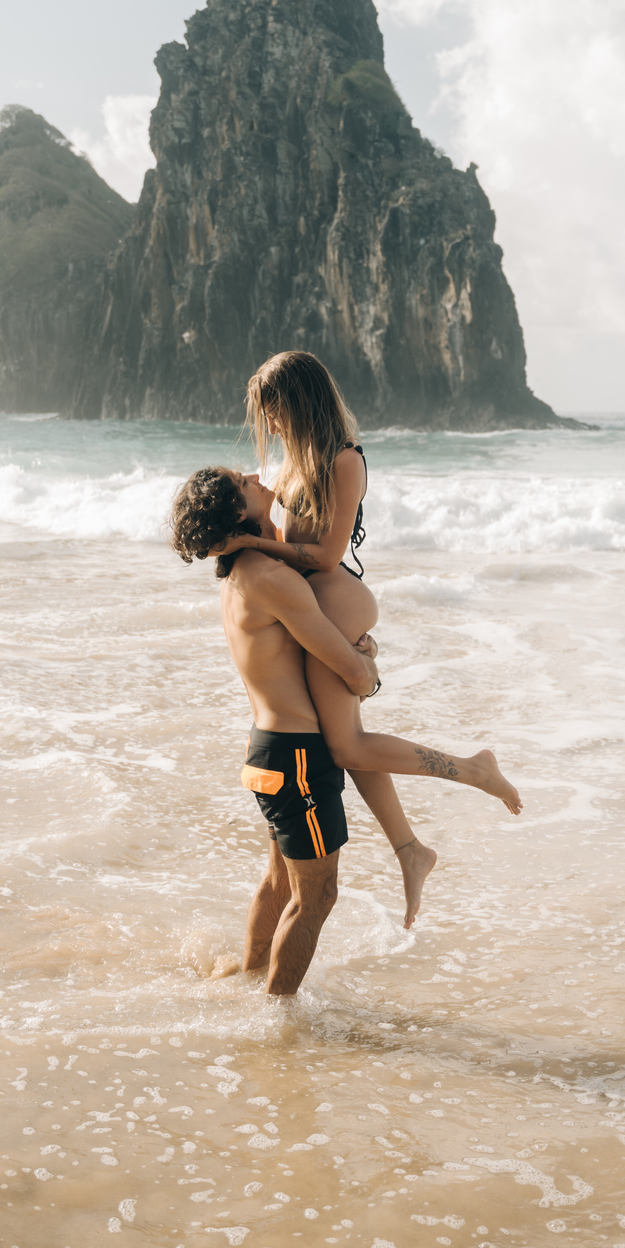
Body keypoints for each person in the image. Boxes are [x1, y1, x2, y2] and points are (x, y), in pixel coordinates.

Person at [170, 463, 521, 996]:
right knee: (316, 897)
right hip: (299, 763)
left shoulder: (241, 576)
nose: (250, 473)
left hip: (266, 753)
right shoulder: (274, 579)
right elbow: (353, 673)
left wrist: (354, 649)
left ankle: (249, 976)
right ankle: (275, 1015)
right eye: (241, 482)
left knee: (277, 882)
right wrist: (368, 666)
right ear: (238, 515)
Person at [213, 351, 436, 925]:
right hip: (316, 612)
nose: (271, 426)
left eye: (274, 412)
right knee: (345, 743)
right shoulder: (292, 465)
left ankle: (474, 773)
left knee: (346, 746)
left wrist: (256, 546)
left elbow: (328, 555)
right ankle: (409, 851)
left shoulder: (344, 461)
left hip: (335, 602)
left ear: (298, 402)